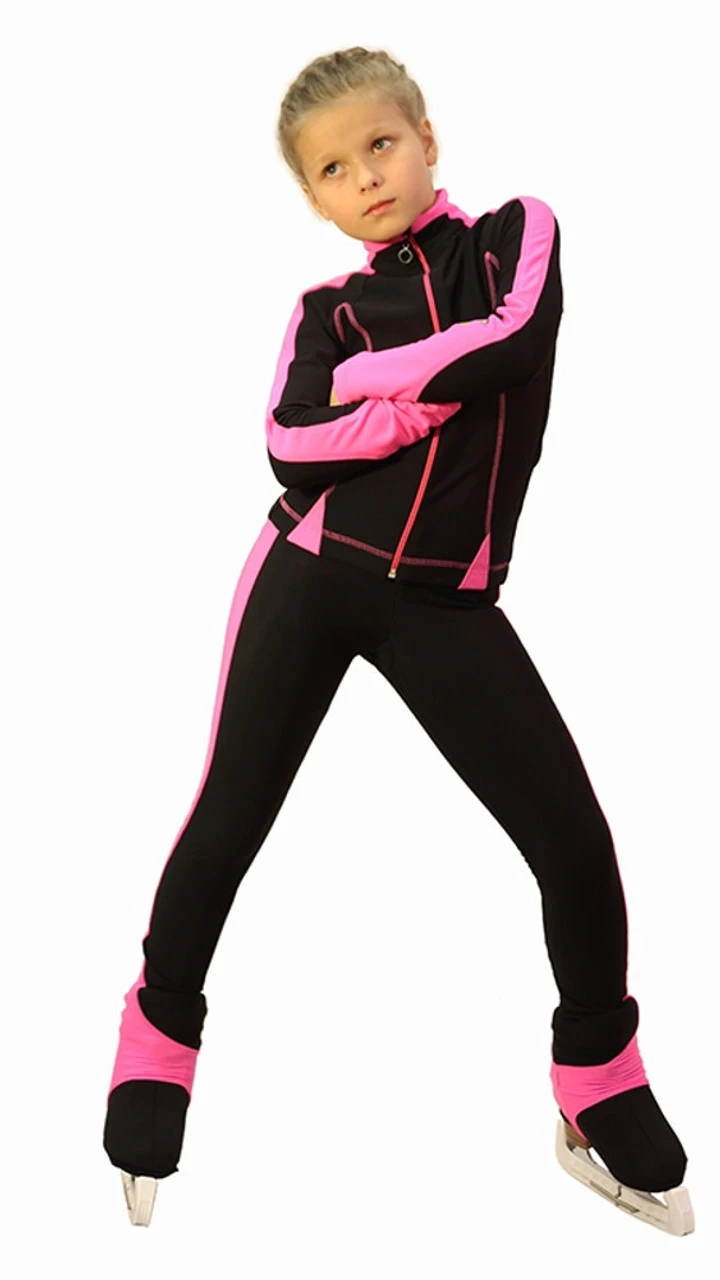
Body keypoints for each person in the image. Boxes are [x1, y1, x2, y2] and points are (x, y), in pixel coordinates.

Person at [103, 46, 693, 1234]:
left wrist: (374, 386)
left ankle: (595, 1080)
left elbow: (514, 340)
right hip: (309, 572)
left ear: (427, 137)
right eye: (332, 168)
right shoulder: (320, 311)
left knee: (572, 840)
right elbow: (288, 441)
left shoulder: (515, 235)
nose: (365, 176)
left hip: (443, 603)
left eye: (380, 144)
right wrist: (415, 401)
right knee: (229, 816)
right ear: (314, 197)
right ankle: (155, 1041)